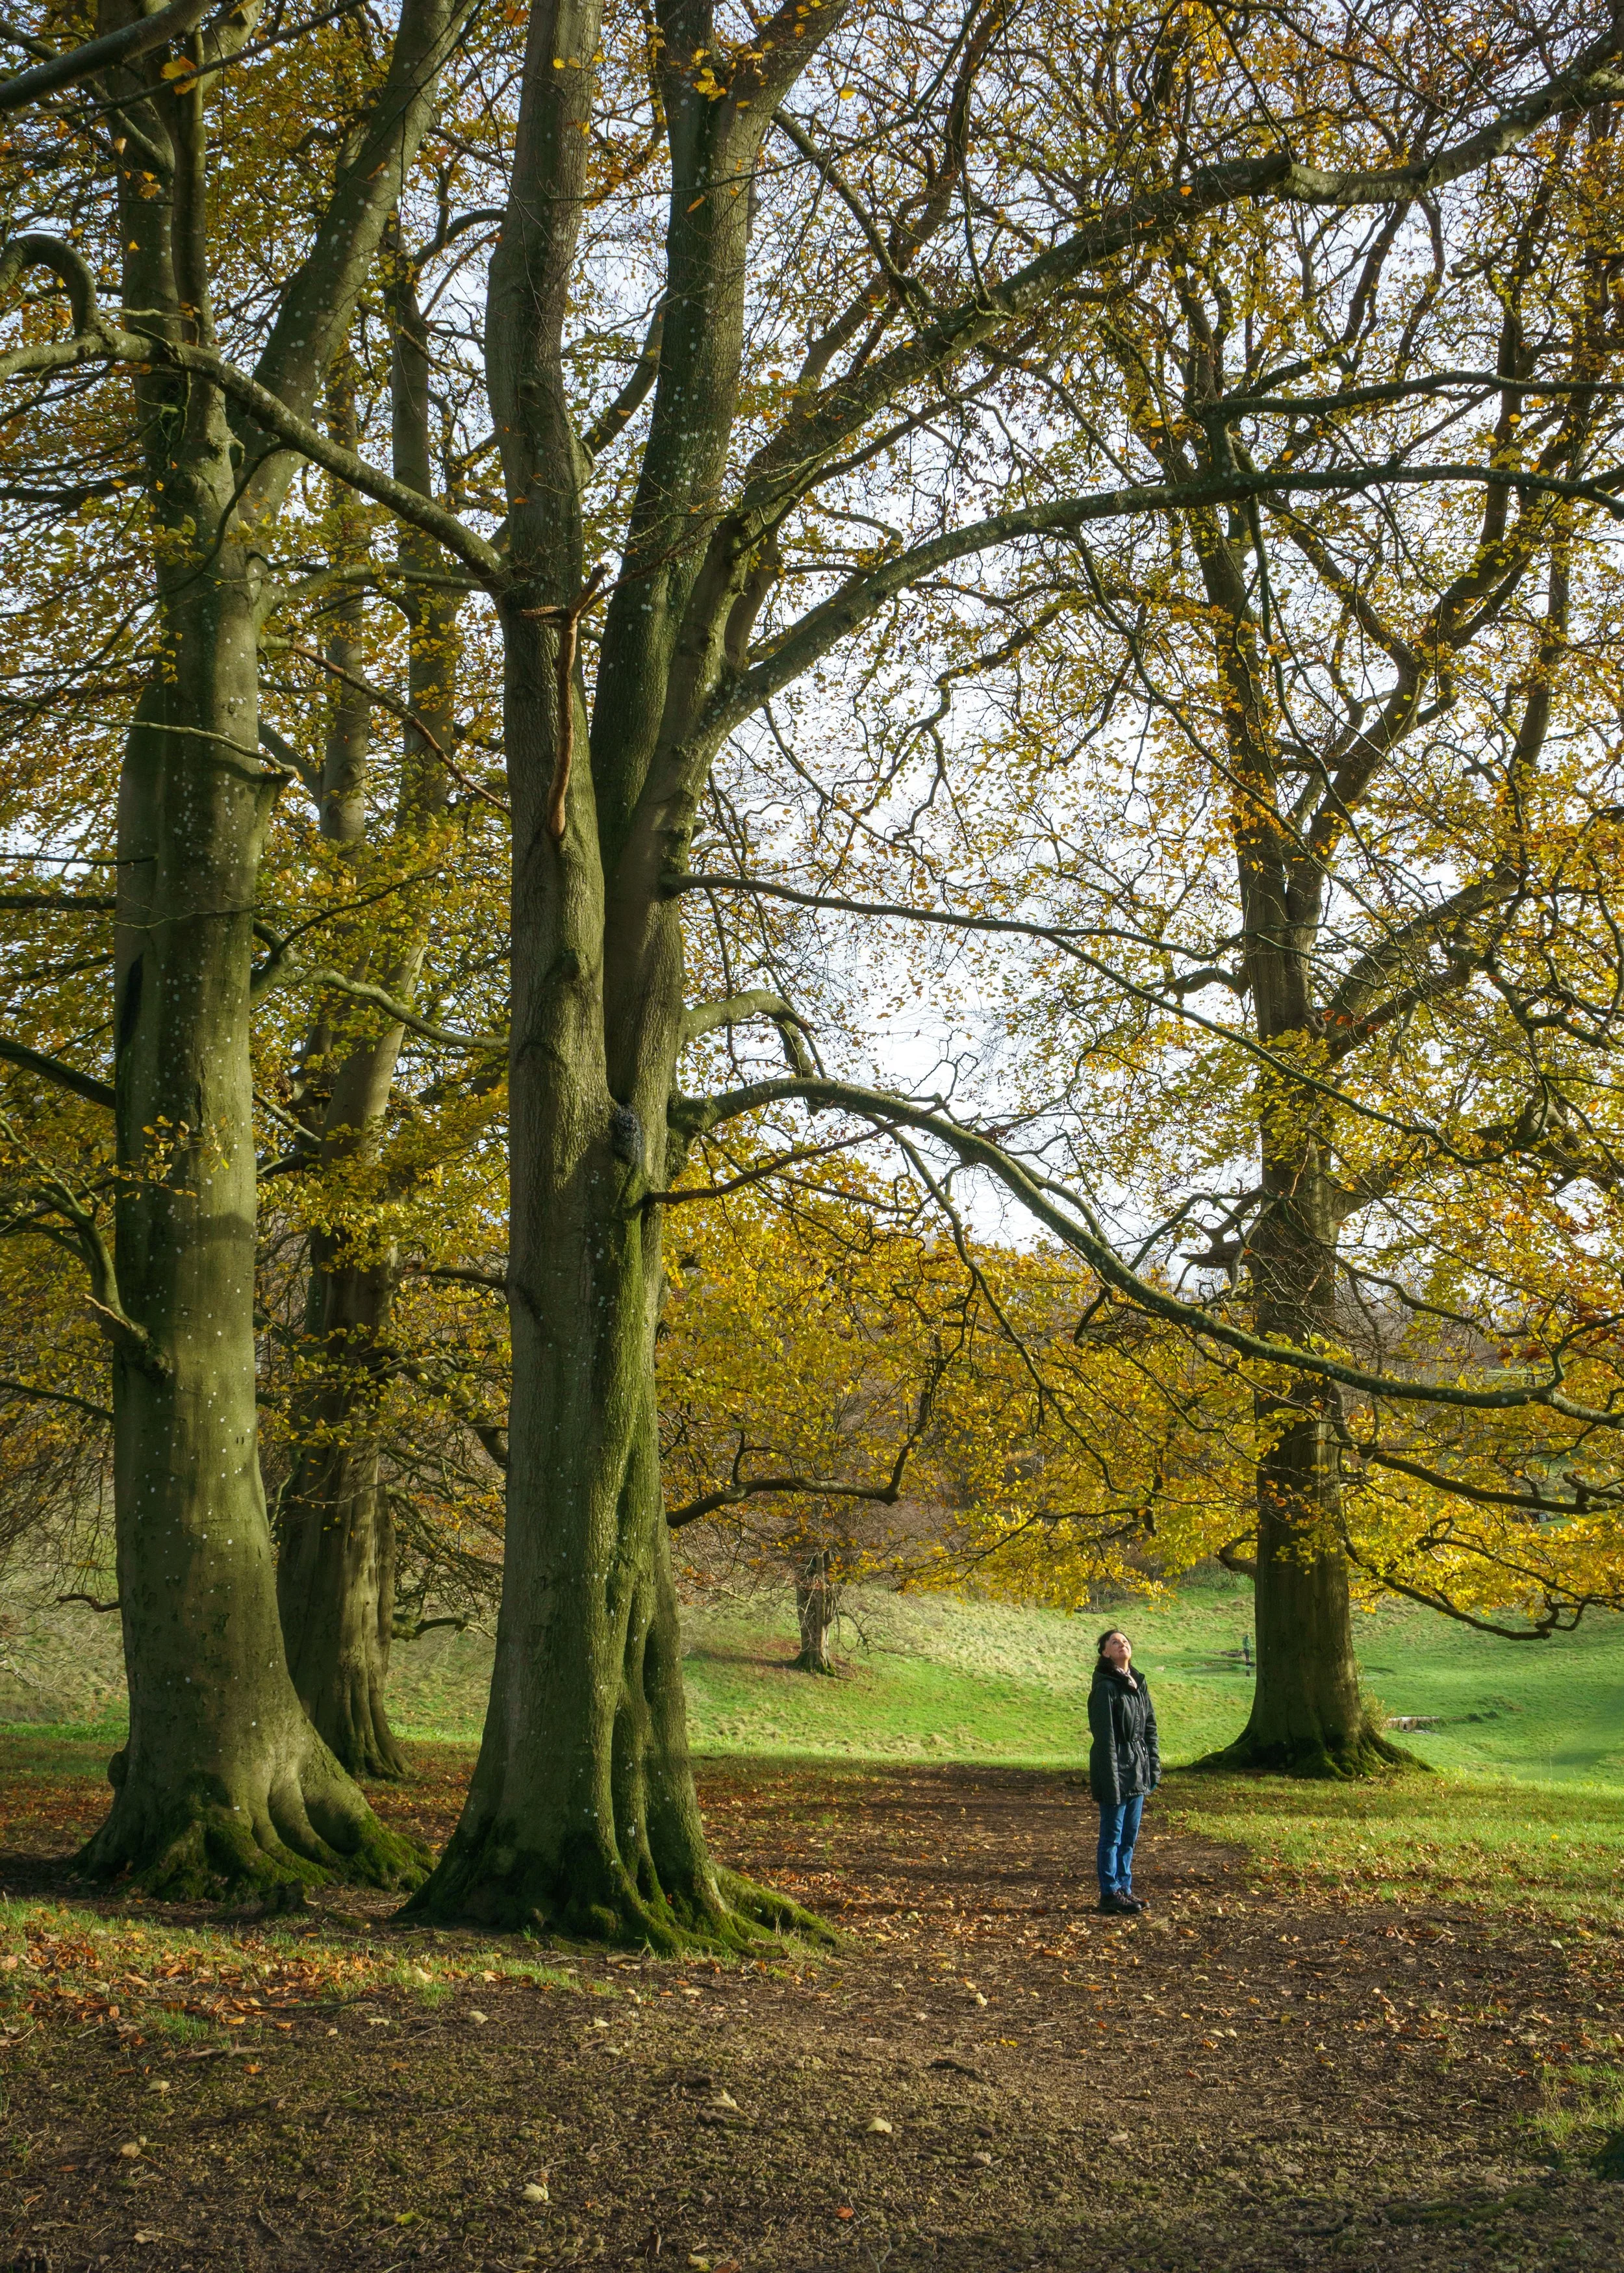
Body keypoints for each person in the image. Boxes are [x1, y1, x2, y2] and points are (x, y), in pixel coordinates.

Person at [1087, 1627, 1159, 1914]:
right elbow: (1104, 1739)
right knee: (1112, 1837)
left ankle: (1125, 1890)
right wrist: (1111, 1780)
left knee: (1129, 1837)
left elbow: (1149, 1728)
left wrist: (1153, 1767)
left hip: (1138, 1769)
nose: (1122, 1645)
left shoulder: (1138, 1683)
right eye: (1114, 1642)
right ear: (1105, 1652)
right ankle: (1110, 1892)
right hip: (1116, 1770)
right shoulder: (1105, 1687)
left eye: (1125, 1641)